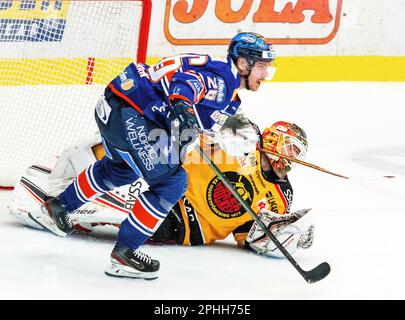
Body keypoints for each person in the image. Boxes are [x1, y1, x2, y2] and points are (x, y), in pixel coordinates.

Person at [27, 32, 276, 280]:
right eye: (262, 66)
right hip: (133, 112)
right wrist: (183, 106)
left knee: (119, 169)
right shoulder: (223, 81)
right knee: (172, 182)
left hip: (117, 104)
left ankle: (55, 209)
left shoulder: (226, 87)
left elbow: (201, 116)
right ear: (243, 64)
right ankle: (125, 253)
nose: (266, 74)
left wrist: (190, 122)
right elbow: (186, 83)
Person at [11, 118, 314, 261]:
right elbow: (206, 131)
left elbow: (246, 237)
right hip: (169, 185)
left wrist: (283, 234)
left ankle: (73, 213)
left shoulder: (280, 195)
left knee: (129, 216)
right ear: (273, 139)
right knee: (128, 165)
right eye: (290, 147)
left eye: (296, 154)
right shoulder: (245, 140)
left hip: (184, 227)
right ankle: (68, 185)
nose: (292, 157)